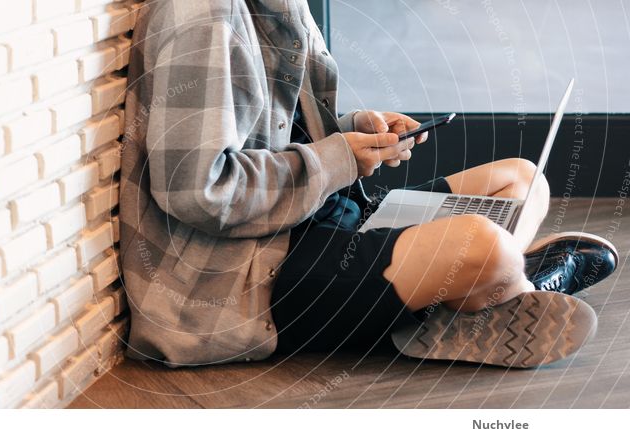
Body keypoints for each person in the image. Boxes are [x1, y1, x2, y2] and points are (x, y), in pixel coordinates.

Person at [118, 0, 618, 368]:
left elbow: (270, 130)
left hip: (323, 217)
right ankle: (515, 284)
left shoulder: (279, 4)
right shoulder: (199, 16)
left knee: (522, 179)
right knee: (486, 246)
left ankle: (477, 294)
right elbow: (199, 190)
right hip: (251, 272)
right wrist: (338, 159)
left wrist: (356, 130)